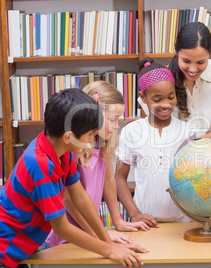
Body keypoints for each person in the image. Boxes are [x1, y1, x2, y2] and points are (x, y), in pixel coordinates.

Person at [0, 88, 147, 268]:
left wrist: (107, 242)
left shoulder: (63, 149)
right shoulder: (41, 165)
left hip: (25, 247)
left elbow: (80, 197)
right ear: (68, 137)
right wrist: (108, 250)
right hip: (7, 250)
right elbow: (62, 227)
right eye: (89, 135)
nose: (91, 141)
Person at [44, 81, 149, 250]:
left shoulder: (102, 143)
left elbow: (108, 180)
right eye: (113, 120)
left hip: (90, 230)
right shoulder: (73, 147)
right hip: (67, 235)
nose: (116, 126)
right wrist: (99, 235)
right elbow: (69, 199)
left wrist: (118, 220)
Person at [115, 58, 196, 229]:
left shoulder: (187, 131)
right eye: (157, 99)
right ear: (143, 98)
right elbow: (120, 177)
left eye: (170, 97)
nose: (165, 104)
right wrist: (135, 214)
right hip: (146, 224)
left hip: (185, 222)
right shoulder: (132, 131)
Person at [140, 22, 211, 139]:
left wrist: (193, 146)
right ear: (176, 51)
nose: (193, 69)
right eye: (186, 61)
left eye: (200, 62)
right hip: (175, 153)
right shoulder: (161, 82)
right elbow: (160, 132)